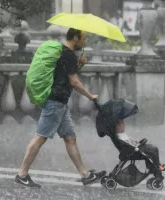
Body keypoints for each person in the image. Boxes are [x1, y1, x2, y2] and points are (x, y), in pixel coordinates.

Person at [15, 28, 106, 188]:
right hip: (55, 103)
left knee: (70, 138)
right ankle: (22, 174)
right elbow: (74, 81)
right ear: (76, 38)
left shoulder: (64, 53)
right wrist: (89, 96)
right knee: (40, 137)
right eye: (84, 38)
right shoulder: (68, 55)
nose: (85, 42)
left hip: (60, 103)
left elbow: (64, 74)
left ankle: (85, 175)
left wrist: (79, 65)